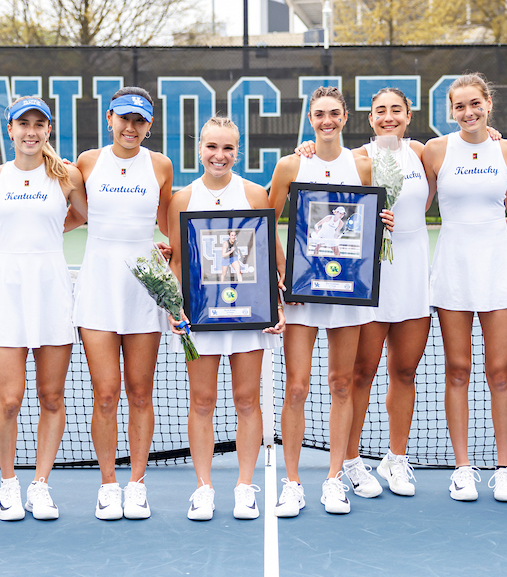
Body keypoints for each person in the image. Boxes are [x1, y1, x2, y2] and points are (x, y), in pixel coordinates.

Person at [268, 86, 393, 517]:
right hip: (303, 294)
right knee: (297, 387)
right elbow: (268, 221)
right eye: (319, 114)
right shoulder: (291, 165)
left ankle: (334, 478)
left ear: (344, 118)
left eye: (334, 113)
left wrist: (385, 221)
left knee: (341, 384)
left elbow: (369, 219)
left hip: (346, 293)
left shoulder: (363, 164)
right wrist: (286, 271)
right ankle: (292, 482)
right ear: (310, 119)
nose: (327, 121)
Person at [0, 97, 88, 522]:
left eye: (40, 124)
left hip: (52, 290)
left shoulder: (66, 175)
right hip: (6, 291)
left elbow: (85, 216)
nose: (31, 131)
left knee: (51, 397)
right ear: (10, 130)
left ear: (48, 130)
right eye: (23, 123)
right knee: (9, 399)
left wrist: (53, 229)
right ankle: (8, 484)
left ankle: (40, 484)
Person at [167, 116, 284, 521]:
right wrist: (175, 307)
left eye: (228, 148)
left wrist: (276, 305)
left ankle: (245, 486)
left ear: (238, 151)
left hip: (248, 316)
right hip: (201, 317)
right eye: (212, 147)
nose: (219, 155)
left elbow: (267, 254)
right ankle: (203, 488)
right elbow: (178, 262)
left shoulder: (254, 194)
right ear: (199, 148)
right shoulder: (182, 199)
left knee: (247, 400)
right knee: (202, 401)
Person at [424, 73, 507, 503]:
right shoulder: (435, 150)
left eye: (475, 104)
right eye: (460, 106)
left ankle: (504, 469)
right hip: (452, 269)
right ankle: (463, 468)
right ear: (451, 111)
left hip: (497, 269)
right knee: (457, 370)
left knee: (500, 372)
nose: (468, 112)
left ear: (488, 104)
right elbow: (417, 201)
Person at [68, 87, 174, 520]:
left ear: (149, 125)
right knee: (106, 394)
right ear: (109, 118)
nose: (130, 128)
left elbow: (168, 222)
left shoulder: (160, 165)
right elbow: (76, 214)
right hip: (98, 287)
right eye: (124, 118)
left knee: (140, 392)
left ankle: (137, 484)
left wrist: (171, 248)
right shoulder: (87, 162)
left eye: (139, 121)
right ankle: (109, 484)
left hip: (144, 289)